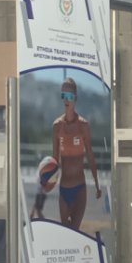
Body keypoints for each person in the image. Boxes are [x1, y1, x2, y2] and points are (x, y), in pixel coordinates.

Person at [51, 77, 103, 230]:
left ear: (75, 98)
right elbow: (54, 160)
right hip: (63, 189)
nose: (66, 100)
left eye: (69, 96)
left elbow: (90, 156)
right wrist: (47, 181)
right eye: (63, 96)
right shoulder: (56, 126)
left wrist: (97, 183)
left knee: (74, 232)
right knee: (65, 233)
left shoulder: (83, 125)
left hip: (80, 188)